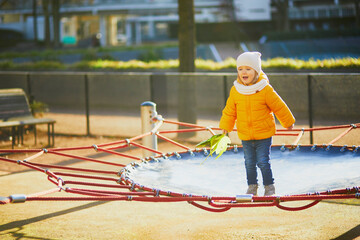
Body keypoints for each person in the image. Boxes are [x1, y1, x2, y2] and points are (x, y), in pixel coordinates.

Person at [219, 51, 295, 196]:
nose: (244, 72)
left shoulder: (264, 89)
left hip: (263, 134)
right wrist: (225, 127)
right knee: (249, 163)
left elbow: (279, 106)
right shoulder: (236, 90)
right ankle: (252, 187)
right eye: (240, 69)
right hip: (246, 135)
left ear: (256, 71)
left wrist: (288, 122)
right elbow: (229, 111)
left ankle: (269, 187)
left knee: (263, 162)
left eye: (248, 69)